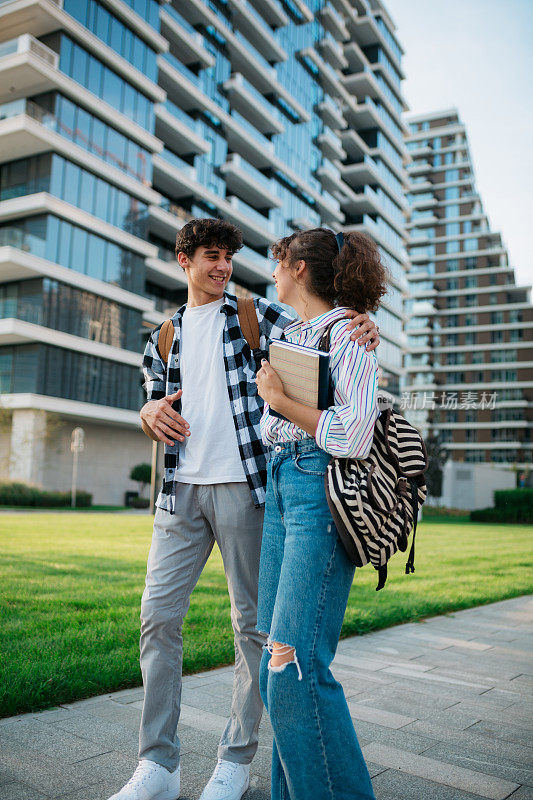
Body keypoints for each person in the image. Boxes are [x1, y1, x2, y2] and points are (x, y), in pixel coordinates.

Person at [108, 218, 380, 800]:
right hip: (179, 492)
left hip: (251, 490)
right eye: (212, 256)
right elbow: (150, 399)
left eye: (229, 257)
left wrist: (364, 320)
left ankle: (234, 760)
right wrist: (148, 414)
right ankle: (157, 765)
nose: (224, 266)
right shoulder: (161, 334)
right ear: (185, 261)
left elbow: (325, 323)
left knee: (255, 632)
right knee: (157, 619)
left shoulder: (258, 316)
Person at [255, 227, 388, 800]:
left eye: (278, 262)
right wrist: (277, 410)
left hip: (318, 490)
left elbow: (354, 433)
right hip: (284, 485)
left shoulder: (349, 336)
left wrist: (282, 403)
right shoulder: (289, 331)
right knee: (275, 667)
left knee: (295, 669)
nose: (273, 272)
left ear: (299, 268)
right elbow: (274, 427)